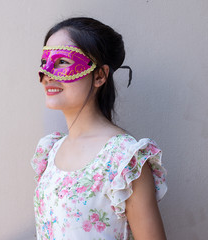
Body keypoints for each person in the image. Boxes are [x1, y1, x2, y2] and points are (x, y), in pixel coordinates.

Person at [31, 17, 167, 240]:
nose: (47, 74)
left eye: (62, 62)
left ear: (100, 75)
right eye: (44, 63)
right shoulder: (51, 151)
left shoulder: (125, 160)